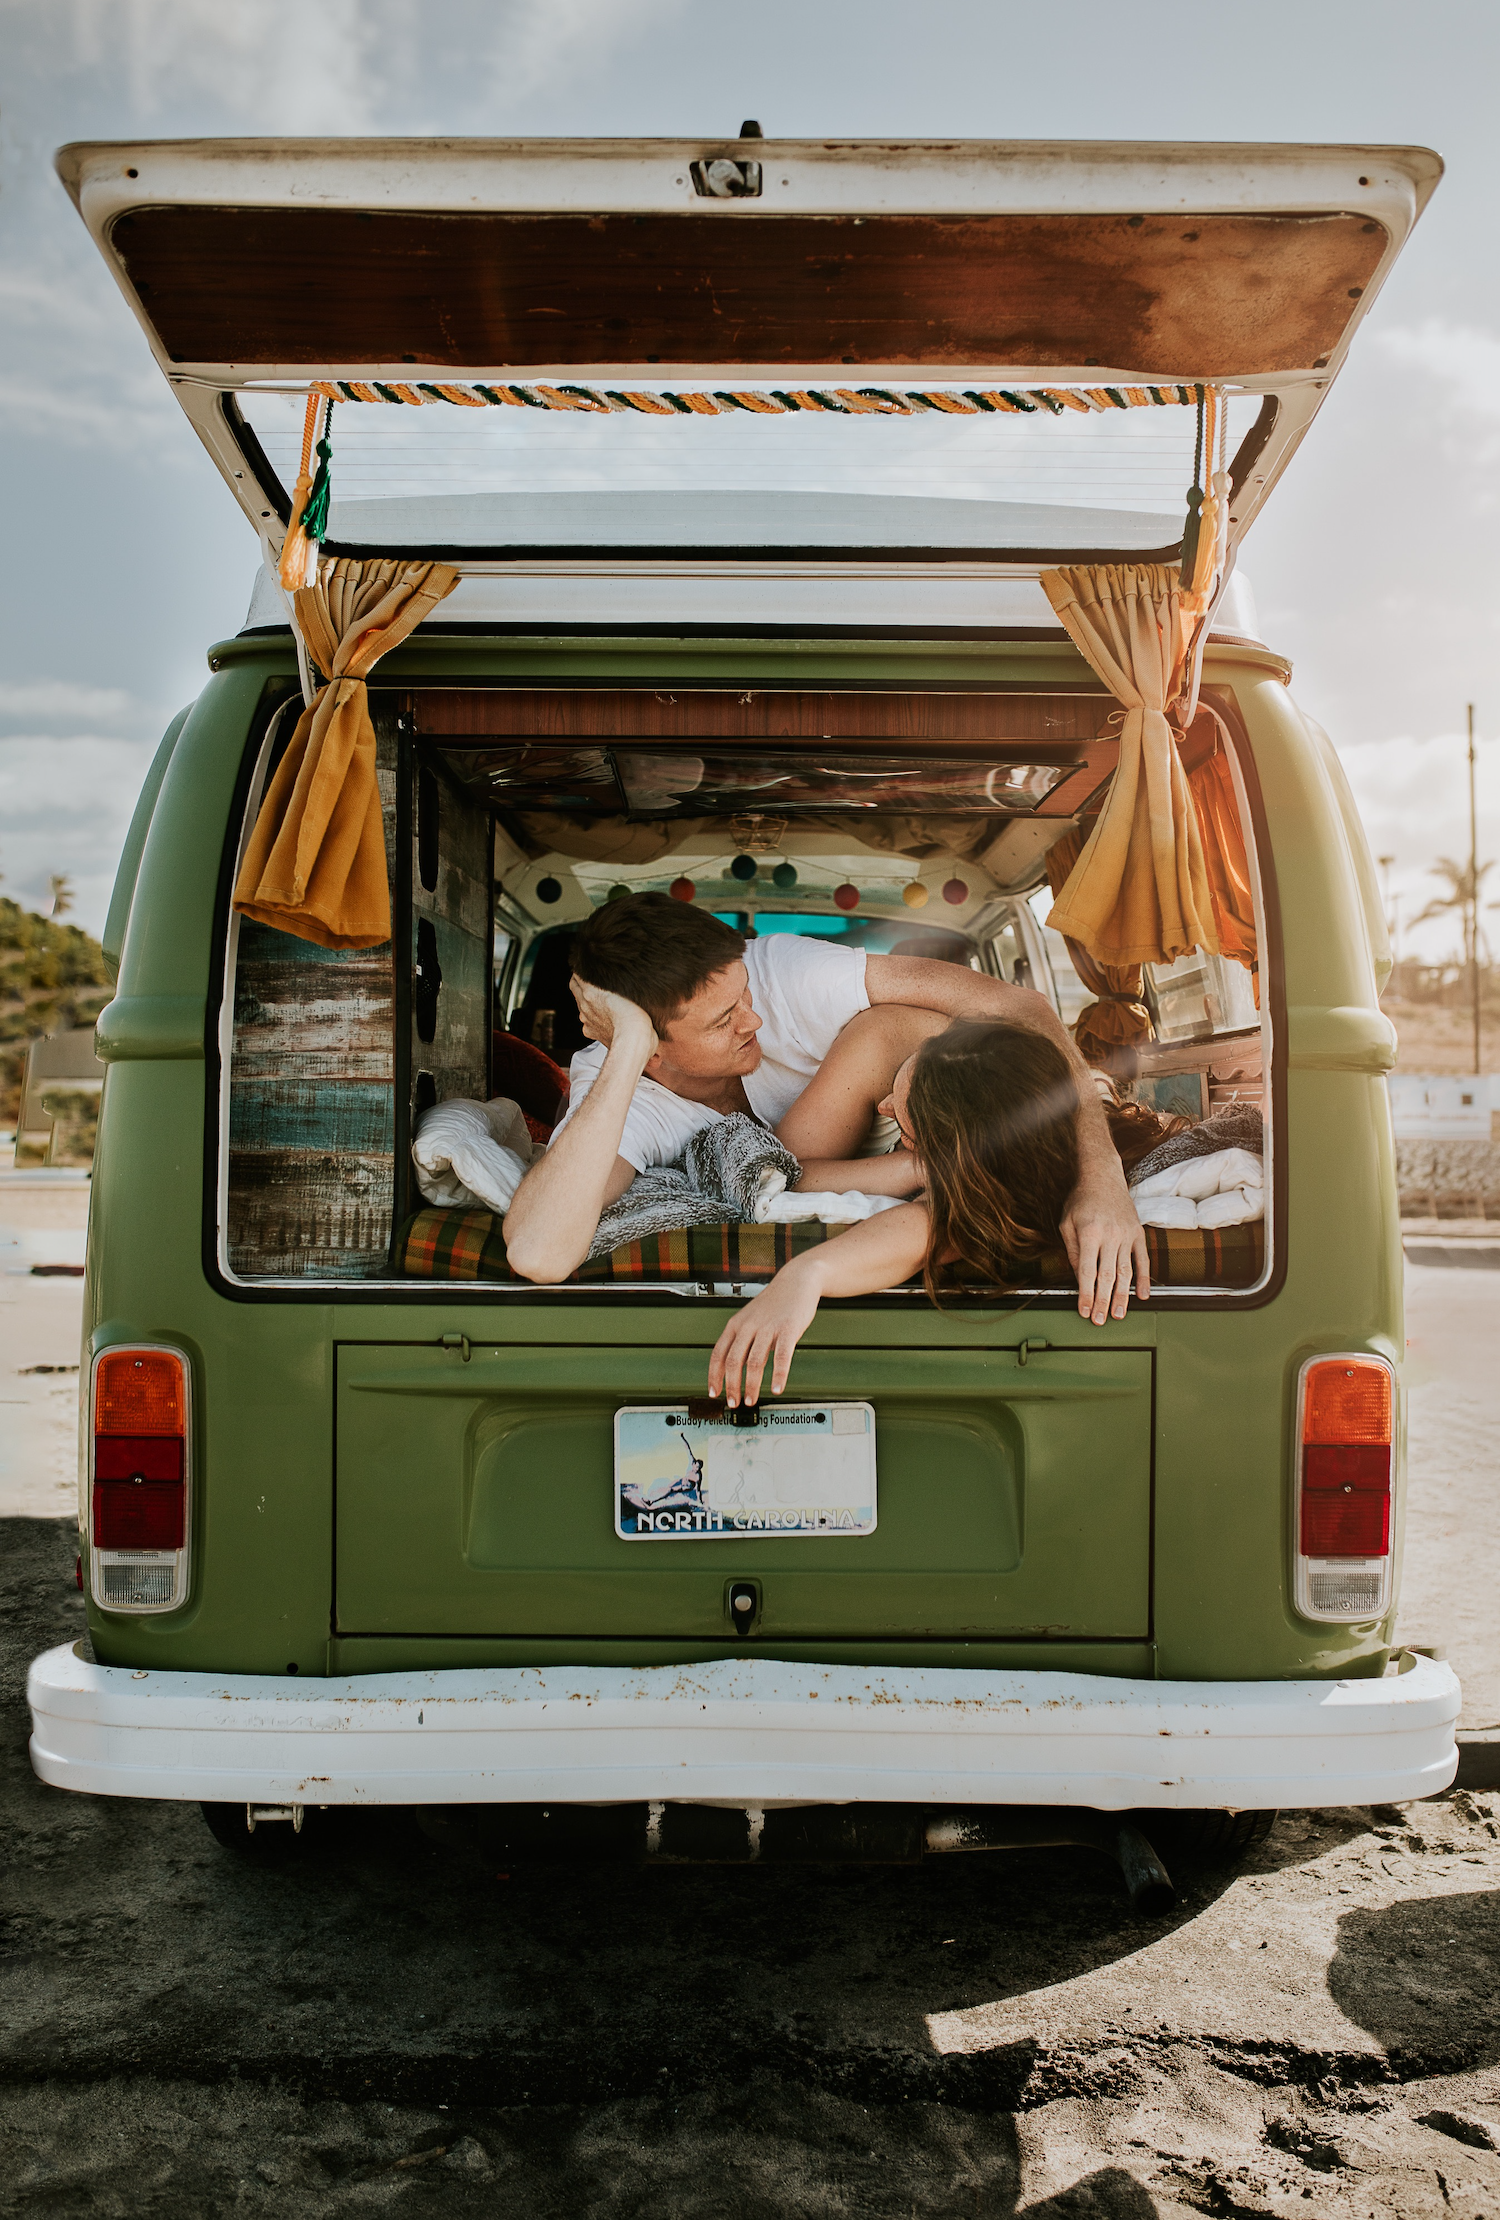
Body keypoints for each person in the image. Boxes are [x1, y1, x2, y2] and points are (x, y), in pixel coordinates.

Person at [502, 892, 1148, 1322]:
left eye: (743, 993)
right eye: (725, 1020)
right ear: (651, 1050)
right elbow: (538, 1254)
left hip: (950, 1109)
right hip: (896, 1154)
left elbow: (1023, 1010)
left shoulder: (783, 974)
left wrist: (1102, 1178)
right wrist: (625, 1052)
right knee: (788, 1156)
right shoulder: (623, 1086)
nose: (753, 1020)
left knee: (883, 1029)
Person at [708, 1016, 1084, 1408]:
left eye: (905, 1124)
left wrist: (809, 1272)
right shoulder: (894, 1045)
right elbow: (790, 1175)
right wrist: (916, 1166)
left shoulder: (1016, 1144)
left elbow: (928, 1226)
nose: (884, 1106)